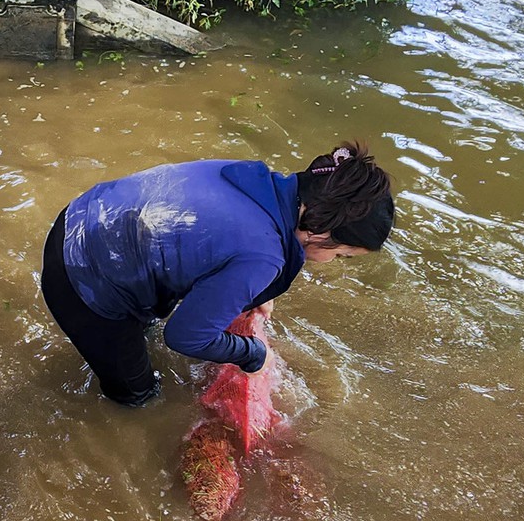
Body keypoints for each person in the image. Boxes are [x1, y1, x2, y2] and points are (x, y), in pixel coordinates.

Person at [40, 143, 395, 406]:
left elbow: (219, 239)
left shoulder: (254, 178)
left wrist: (258, 290)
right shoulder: (262, 257)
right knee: (141, 398)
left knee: (143, 330)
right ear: (321, 233)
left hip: (81, 217)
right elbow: (184, 338)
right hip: (81, 280)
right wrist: (254, 354)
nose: (334, 261)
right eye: (343, 254)